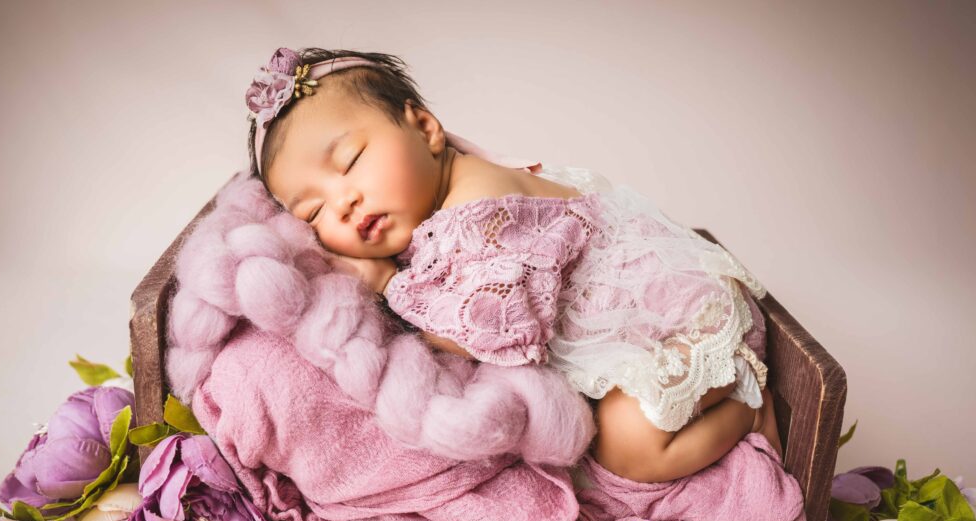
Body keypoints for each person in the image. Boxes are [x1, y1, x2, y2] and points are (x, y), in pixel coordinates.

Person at [246, 46, 782, 484]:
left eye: (350, 162)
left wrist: (388, 283)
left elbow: (505, 339)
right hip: (640, 333)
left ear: (426, 127)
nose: (343, 204)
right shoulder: (439, 201)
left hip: (689, 323)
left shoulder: (480, 208)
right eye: (314, 212)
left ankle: (749, 407)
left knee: (627, 448)